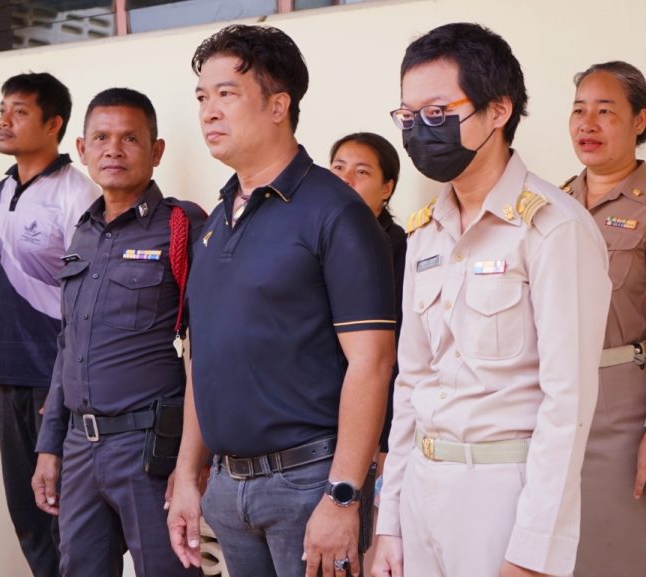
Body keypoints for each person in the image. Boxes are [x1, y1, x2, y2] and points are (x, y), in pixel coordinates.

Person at [371, 23, 611, 577]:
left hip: (501, 492)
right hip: (422, 488)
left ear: (498, 110)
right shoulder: (425, 232)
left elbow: (567, 404)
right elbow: (411, 383)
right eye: (408, 116)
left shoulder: (553, 228)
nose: (419, 130)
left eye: (437, 112)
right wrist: (389, 523)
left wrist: (533, 549)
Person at [166, 24, 397, 577]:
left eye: (226, 94)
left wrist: (342, 495)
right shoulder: (215, 222)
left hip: (308, 483)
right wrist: (188, 475)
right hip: (228, 488)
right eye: (202, 97)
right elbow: (203, 358)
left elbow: (372, 361)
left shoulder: (334, 212)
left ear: (278, 106)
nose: (209, 112)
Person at [30, 88, 206, 577]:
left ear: (156, 150)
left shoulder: (181, 225)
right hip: (79, 448)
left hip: (149, 448)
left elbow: (211, 344)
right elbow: (68, 345)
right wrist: (49, 446)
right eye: (101, 138)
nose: (114, 150)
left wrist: (193, 462)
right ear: (82, 149)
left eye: (130, 138)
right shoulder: (83, 232)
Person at [561, 61, 646, 577]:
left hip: (626, 417)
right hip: (555, 408)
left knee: (637, 555)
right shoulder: (550, 207)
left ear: (639, 121)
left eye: (605, 111)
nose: (587, 124)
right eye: (579, 110)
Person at [0, 71, 99, 577]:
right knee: (27, 517)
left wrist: (71, 384)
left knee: (65, 519)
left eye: (20, 111)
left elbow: (90, 299)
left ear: (53, 124)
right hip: (11, 379)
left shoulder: (78, 194)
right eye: (2, 110)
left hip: (56, 383)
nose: (4, 121)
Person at [329, 132, 407, 575]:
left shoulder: (398, 249)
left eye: (361, 172)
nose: (346, 180)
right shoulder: (321, 241)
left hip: (377, 431)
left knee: (368, 553)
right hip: (322, 430)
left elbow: (397, 359)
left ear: (387, 188)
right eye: (338, 168)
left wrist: (386, 441)